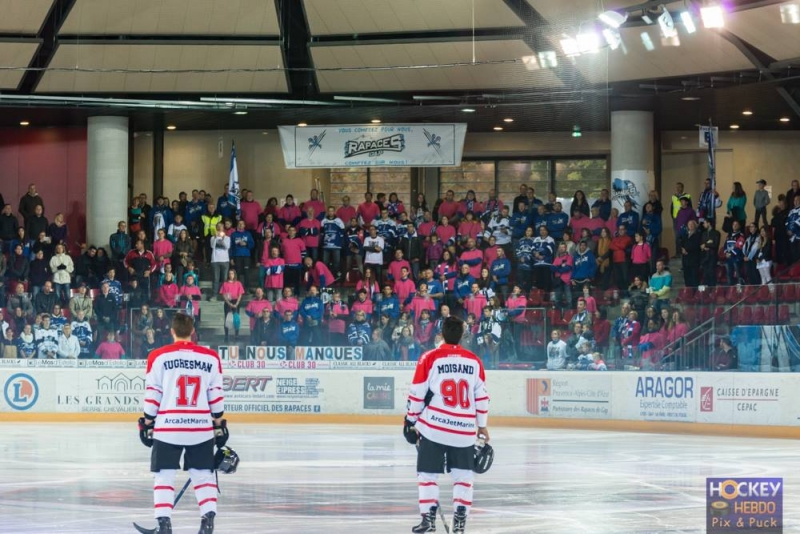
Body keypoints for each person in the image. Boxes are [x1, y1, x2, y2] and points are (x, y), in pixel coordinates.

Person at [139, 312, 226, 534]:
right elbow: (216, 396)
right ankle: (207, 522)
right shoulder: (211, 357)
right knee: (203, 475)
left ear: (172, 331)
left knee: (164, 475)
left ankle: (164, 525)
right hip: (200, 429)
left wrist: (147, 423)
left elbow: (153, 394)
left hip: (168, 428)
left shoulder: (158, 356)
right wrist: (220, 425)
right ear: (193, 331)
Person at [404, 316, 489, 534]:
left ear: (440, 333)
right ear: (462, 335)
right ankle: (459, 523)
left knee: (427, 475)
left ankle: (428, 520)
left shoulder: (429, 357)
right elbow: (481, 398)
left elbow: (417, 393)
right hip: (464, 431)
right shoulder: (474, 361)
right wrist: (482, 426)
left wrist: (410, 421)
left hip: (433, 429)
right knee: (463, 477)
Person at [700, 219, 721, 286]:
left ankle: (712, 289)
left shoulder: (716, 233)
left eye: (705, 223)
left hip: (712, 256)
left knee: (711, 272)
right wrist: (707, 244)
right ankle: (706, 289)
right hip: (705, 256)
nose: (703, 225)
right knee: (705, 273)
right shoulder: (704, 233)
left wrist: (706, 244)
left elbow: (715, 244)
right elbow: (701, 245)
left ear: (709, 223)